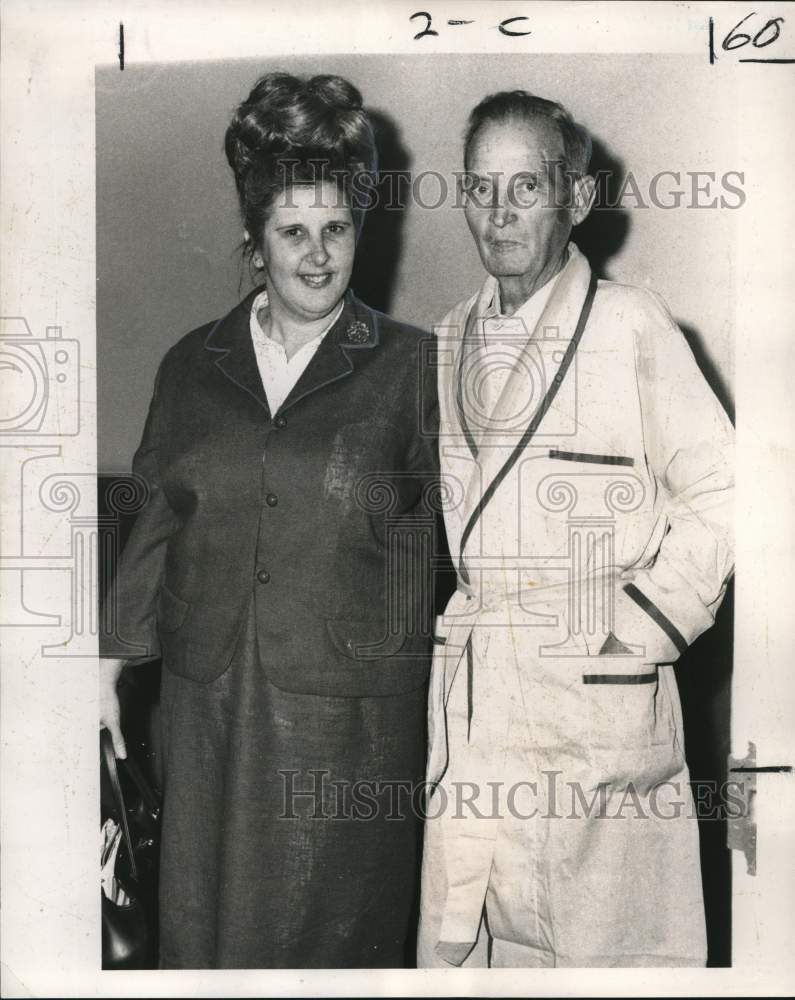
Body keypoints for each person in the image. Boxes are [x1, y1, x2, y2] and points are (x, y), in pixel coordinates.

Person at [99, 72, 440, 969]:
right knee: (205, 936)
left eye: (337, 230)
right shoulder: (190, 365)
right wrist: (104, 667)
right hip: (206, 709)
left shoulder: (414, 368)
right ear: (254, 241)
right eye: (293, 232)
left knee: (327, 948)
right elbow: (154, 517)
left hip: (351, 733)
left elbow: (453, 542)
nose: (318, 255)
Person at [417, 91, 734, 968]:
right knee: (473, 946)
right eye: (481, 189)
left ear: (577, 200)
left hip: (594, 696)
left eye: (526, 188)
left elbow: (730, 491)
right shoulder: (447, 338)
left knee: (604, 951)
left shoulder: (632, 325)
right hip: (479, 702)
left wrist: (639, 633)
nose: (500, 213)